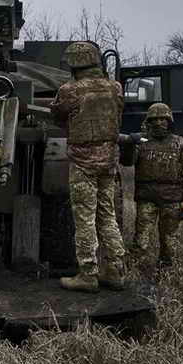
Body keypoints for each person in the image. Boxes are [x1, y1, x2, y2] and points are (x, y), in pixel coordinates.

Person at [50, 41, 127, 292]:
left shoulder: (69, 90)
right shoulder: (115, 88)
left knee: (84, 218)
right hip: (109, 160)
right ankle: (115, 270)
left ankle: (87, 274)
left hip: (83, 162)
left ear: (73, 64)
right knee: (107, 216)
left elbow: (58, 116)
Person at [123, 103, 183, 273]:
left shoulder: (179, 143)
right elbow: (127, 162)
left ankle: (166, 273)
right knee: (141, 241)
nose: (159, 123)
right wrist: (129, 144)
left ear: (169, 121)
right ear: (149, 121)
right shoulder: (142, 142)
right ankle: (131, 273)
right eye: (154, 119)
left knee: (169, 241)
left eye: (163, 119)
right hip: (147, 198)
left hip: (172, 199)